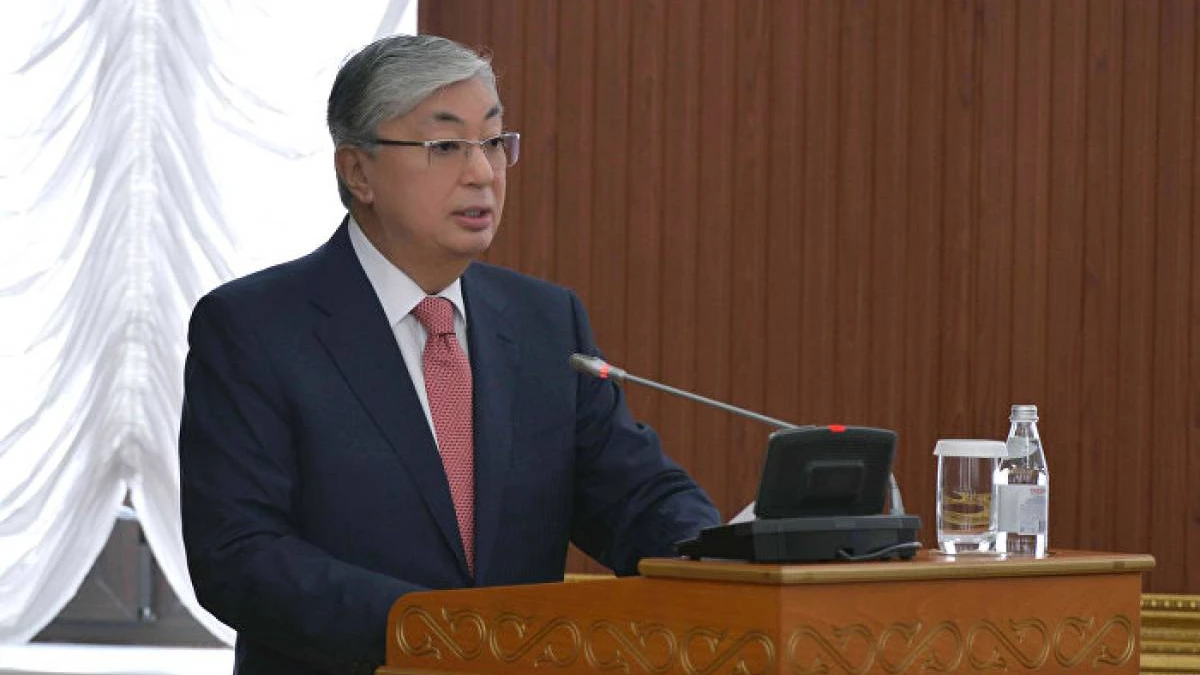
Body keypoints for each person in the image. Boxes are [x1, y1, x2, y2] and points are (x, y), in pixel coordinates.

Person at [178, 34, 720, 675]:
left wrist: (721, 556)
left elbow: (635, 496)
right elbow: (239, 555)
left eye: (493, 142)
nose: (483, 172)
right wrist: (433, 631)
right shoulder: (255, 329)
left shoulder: (546, 323)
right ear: (357, 171)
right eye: (445, 146)